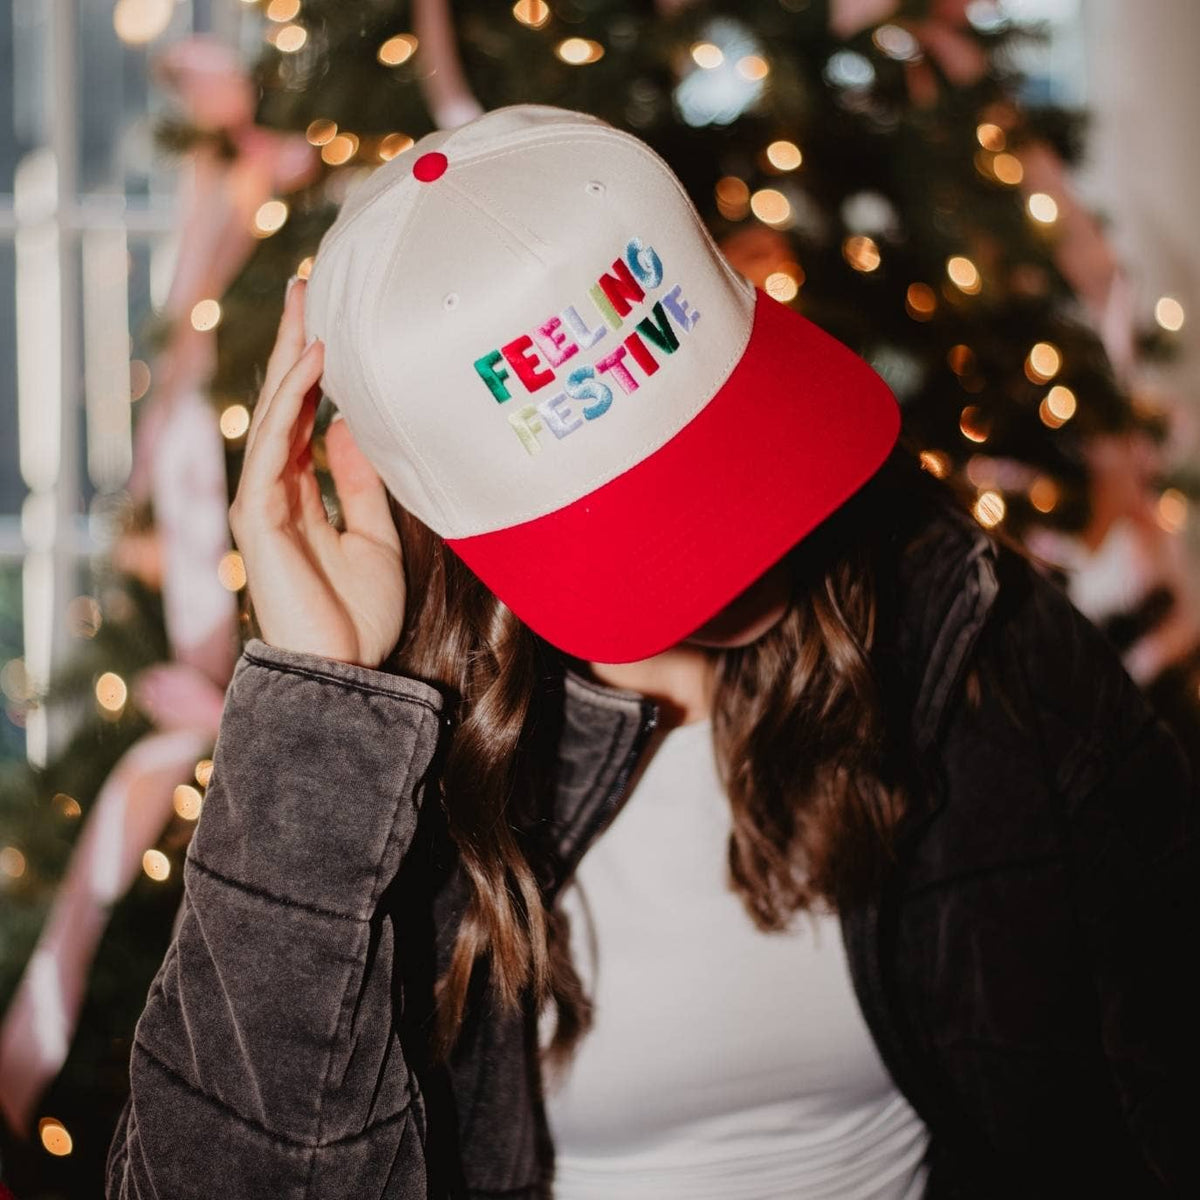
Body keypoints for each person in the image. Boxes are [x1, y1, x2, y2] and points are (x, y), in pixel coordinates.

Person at [106, 106, 1197, 1199]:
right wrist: (317, 710)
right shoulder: (403, 776)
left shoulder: (967, 629)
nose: (738, 532)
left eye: (726, 431)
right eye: (643, 500)